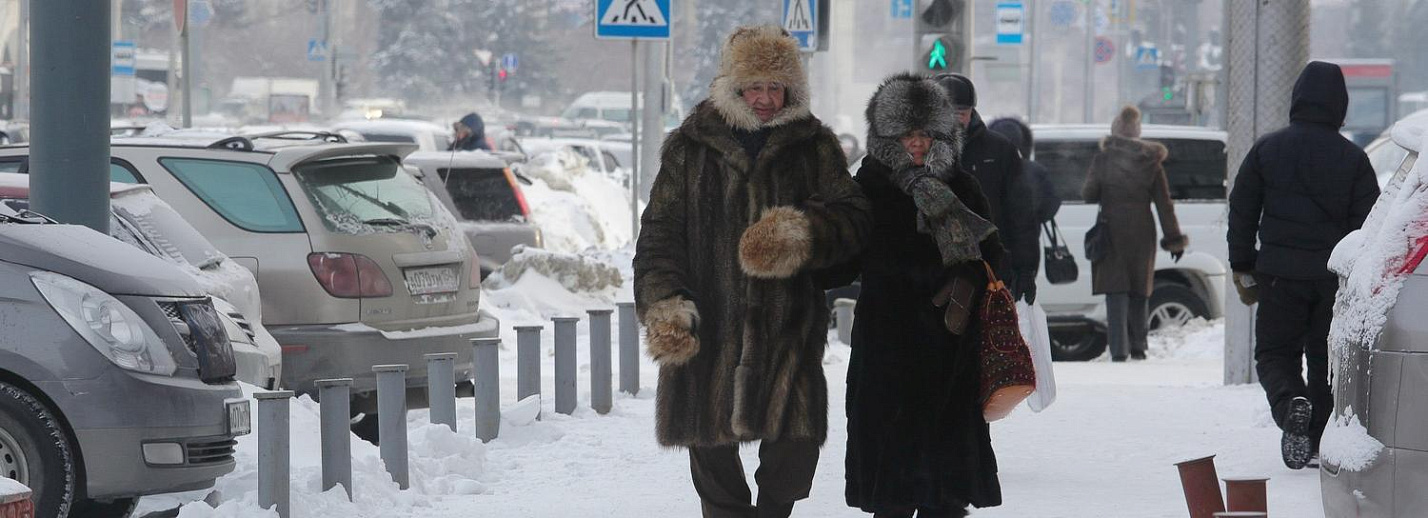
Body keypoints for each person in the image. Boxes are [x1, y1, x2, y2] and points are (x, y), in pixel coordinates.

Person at [632, 25, 873, 518]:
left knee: (790, 453)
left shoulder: (815, 146)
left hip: (785, 327)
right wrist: (666, 303)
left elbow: (855, 219)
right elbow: (659, 234)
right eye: (754, 86)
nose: (765, 99)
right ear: (735, 87)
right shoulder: (689, 147)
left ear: (791, 90)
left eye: (775, 87)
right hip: (709, 322)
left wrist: (800, 233)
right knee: (712, 456)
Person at [826, 72, 1003, 518]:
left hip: (950, 345)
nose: (917, 144)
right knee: (892, 488)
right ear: (888, 136)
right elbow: (843, 261)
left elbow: (995, 258)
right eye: (907, 134)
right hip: (888, 346)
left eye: (925, 133)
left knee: (945, 492)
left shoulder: (961, 185)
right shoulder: (867, 187)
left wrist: (966, 282)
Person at [1227, 61, 1379, 470]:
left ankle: (1289, 406)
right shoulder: (1354, 159)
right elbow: (1367, 225)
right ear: (1340, 105)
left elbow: (1242, 209)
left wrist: (1243, 263)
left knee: (1275, 354)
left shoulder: (1267, 149)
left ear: (1297, 99)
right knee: (1325, 360)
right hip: (1332, 280)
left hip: (1277, 275)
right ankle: (1314, 438)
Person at [1083, 105, 1188, 362]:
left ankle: (1119, 350)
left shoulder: (1103, 159)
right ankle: (1139, 347)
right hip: (1143, 231)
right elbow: (1165, 205)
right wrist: (1174, 240)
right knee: (1140, 289)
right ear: (1137, 132)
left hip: (1111, 229)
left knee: (1115, 290)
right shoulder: (1152, 162)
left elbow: (1088, 194)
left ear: (1116, 131)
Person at [932, 74, 1039, 304]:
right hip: (932, 269)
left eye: (960, 113)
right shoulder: (919, 150)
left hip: (989, 269)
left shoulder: (999, 151)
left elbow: (1020, 213)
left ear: (972, 112)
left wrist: (1025, 268)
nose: (954, 121)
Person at [987, 117, 1062, 227]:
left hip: (990, 238)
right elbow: (1050, 205)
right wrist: (1033, 219)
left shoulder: (982, 168)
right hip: (1027, 238)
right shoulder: (1035, 171)